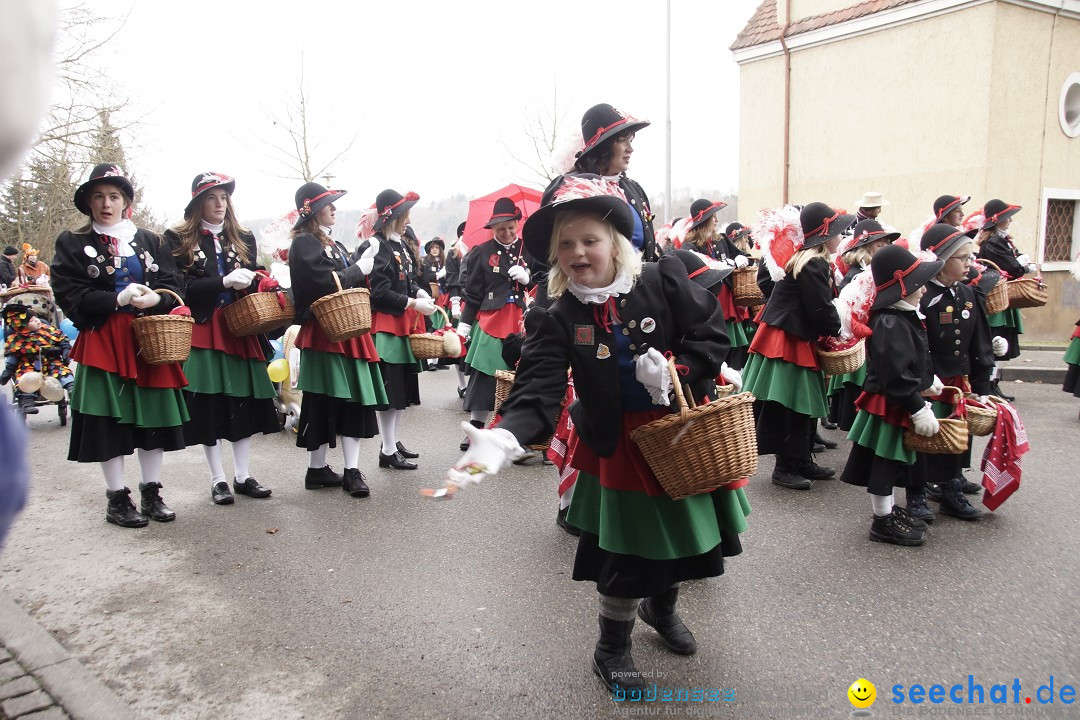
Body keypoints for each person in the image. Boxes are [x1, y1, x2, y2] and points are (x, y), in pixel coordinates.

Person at [442, 174, 748, 693]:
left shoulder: (660, 278)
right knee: (626, 554)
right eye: (565, 243)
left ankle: (661, 609)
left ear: (615, 242)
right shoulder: (554, 315)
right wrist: (506, 436)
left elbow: (710, 333)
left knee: (682, 540)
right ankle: (612, 649)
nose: (578, 252)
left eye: (590, 240)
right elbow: (537, 391)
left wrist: (682, 366)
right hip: (618, 447)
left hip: (680, 432)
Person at [51, 163, 188, 528]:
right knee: (106, 421)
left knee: (153, 417)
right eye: (98, 196)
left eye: (113, 196)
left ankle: (151, 492)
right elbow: (69, 293)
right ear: (88, 203)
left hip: (149, 339)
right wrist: (115, 300)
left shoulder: (151, 240)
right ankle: (116, 499)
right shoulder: (72, 242)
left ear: (126, 201)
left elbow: (175, 285)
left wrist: (154, 300)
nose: (106, 204)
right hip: (105, 340)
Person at [165, 172, 279, 505]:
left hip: (240, 327)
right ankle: (217, 479)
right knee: (210, 407)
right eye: (211, 198)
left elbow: (254, 273)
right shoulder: (176, 238)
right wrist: (223, 282)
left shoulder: (243, 236)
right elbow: (180, 288)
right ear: (198, 202)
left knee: (241, 403)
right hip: (204, 329)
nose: (219, 204)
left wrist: (263, 282)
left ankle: (243, 475)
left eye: (224, 198)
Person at [840, 244, 944, 545]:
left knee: (897, 460)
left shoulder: (903, 315)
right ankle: (882, 520)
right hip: (892, 402)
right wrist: (917, 407)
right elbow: (895, 374)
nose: (923, 290)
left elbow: (912, 361)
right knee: (884, 463)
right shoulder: (889, 321)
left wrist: (928, 381)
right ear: (902, 287)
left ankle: (886, 514)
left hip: (900, 399)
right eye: (918, 285)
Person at [742, 202, 851, 489]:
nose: (842, 236)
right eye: (838, 232)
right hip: (787, 339)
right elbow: (820, 309)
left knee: (801, 403)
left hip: (792, 335)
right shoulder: (812, 263)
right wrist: (838, 330)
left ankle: (801, 459)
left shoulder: (809, 259)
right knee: (788, 404)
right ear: (826, 236)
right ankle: (785, 466)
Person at [289, 182, 386, 497]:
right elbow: (323, 284)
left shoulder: (332, 242)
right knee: (326, 401)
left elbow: (344, 279)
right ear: (311, 209)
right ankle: (322, 469)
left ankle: (347, 469)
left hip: (346, 329)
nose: (334, 208)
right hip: (325, 331)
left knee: (351, 399)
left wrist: (362, 266)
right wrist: (358, 269)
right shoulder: (304, 243)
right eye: (328, 204)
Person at [356, 188, 437, 469]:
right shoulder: (376, 245)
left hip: (402, 325)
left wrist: (419, 292)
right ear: (393, 216)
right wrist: (413, 302)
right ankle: (388, 449)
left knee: (400, 392)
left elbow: (404, 282)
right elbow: (378, 293)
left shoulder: (399, 244)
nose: (408, 219)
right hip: (386, 327)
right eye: (405, 214)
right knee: (390, 393)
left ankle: (391, 444)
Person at [919, 223, 994, 519]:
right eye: (961, 258)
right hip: (933, 382)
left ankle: (952, 482)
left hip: (958, 379)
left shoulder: (967, 293)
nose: (969, 264)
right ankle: (937, 487)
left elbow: (979, 343)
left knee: (959, 433)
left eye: (969, 257)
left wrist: (983, 385)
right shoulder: (922, 297)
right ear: (940, 260)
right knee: (932, 436)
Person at [457, 197, 541, 451]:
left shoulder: (531, 249)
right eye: (500, 228)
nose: (506, 233)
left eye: (510, 227)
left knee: (522, 378)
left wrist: (528, 280)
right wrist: (465, 324)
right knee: (485, 375)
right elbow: (472, 293)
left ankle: (520, 432)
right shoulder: (480, 253)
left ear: (518, 224)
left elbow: (545, 282)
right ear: (493, 228)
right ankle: (476, 429)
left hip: (523, 322)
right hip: (491, 320)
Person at [826, 219, 898, 432]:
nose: (885, 249)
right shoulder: (856, 276)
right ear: (864, 248)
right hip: (861, 343)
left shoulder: (874, 272)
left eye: (887, 244)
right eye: (879, 245)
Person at [571, 103, 658, 261]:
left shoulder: (635, 189)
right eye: (623, 140)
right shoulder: (573, 191)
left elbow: (650, 251)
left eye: (630, 141)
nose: (630, 149)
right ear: (603, 147)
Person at [683, 199, 753, 370]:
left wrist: (739, 258)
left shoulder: (721, 239)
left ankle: (732, 379)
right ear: (705, 220)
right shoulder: (690, 246)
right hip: (708, 301)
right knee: (715, 343)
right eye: (713, 217)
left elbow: (739, 254)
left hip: (727, 299)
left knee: (731, 344)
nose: (716, 220)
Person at [975, 199, 1028, 398]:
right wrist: (1021, 265)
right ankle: (988, 385)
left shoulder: (1001, 240)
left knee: (999, 344)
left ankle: (992, 383)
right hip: (995, 295)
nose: (1010, 222)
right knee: (994, 342)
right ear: (998, 221)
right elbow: (1012, 267)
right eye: (1007, 218)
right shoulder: (995, 241)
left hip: (1001, 294)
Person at [1, 300, 73, 415]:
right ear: (22, 325)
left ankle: (71, 387)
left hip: (51, 361)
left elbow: (61, 337)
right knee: (25, 378)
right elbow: (12, 356)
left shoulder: (48, 330)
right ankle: (27, 402)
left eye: (36, 318)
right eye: (31, 320)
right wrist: (9, 370)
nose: (37, 320)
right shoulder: (16, 338)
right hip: (28, 364)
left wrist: (65, 348)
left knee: (61, 370)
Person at [444, 223, 469, 396]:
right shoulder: (454, 254)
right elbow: (453, 280)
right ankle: (462, 385)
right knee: (458, 345)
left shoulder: (479, 251)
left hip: (479, 303)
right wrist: (455, 303)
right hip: (459, 302)